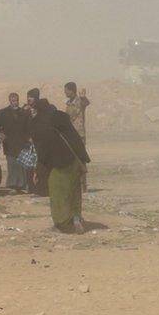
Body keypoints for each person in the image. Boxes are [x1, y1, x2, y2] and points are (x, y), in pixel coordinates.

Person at [30, 99, 90, 233]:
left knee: (58, 194)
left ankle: (60, 223)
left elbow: (42, 153)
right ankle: (76, 219)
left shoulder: (45, 129)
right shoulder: (66, 125)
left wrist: (38, 171)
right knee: (74, 193)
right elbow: (78, 146)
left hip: (59, 167)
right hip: (74, 165)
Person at [0, 92, 30, 192]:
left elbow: (27, 127)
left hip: (21, 142)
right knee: (11, 164)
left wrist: (28, 139)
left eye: (16, 101)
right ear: (10, 101)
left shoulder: (24, 113)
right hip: (9, 142)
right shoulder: (2, 112)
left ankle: (21, 185)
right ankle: (12, 185)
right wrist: (0, 135)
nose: (15, 103)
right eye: (13, 101)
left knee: (21, 165)